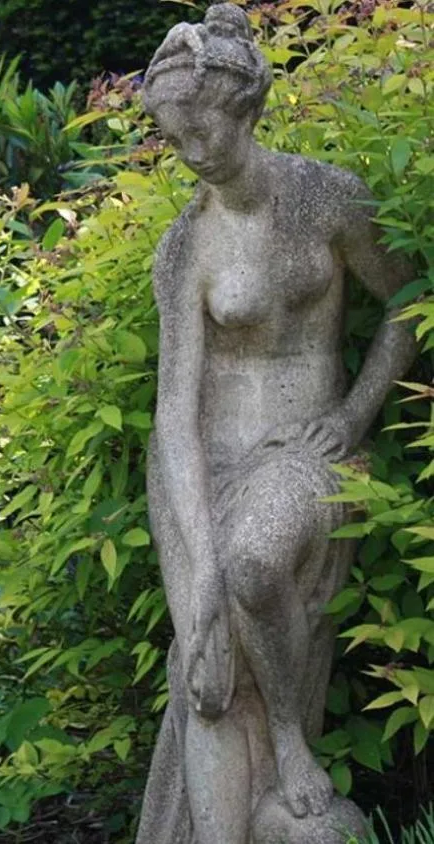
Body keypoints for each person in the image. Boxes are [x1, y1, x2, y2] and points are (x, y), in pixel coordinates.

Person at [135, 5, 418, 842]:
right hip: (200, 467)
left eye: (201, 130)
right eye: (173, 139)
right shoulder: (184, 248)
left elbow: (407, 302)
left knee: (254, 563)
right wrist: (195, 571)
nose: (191, 153)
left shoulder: (325, 198)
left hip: (301, 450)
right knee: (207, 670)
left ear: (244, 108)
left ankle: (291, 741)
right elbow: (174, 414)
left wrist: (354, 413)